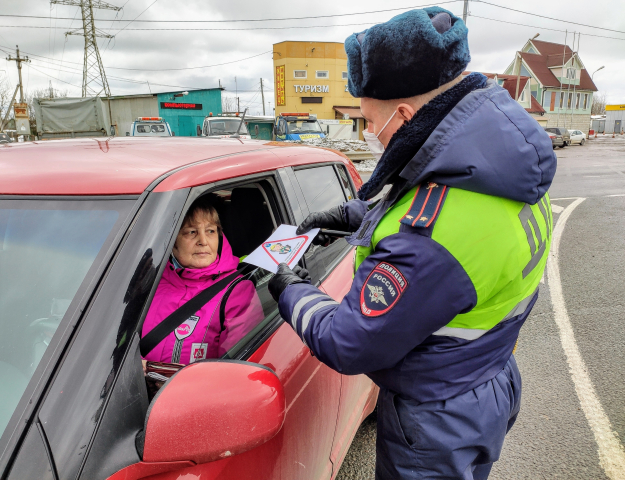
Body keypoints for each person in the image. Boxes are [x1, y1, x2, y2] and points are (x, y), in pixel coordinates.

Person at [268, 6, 556, 480]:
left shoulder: (431, 236)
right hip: (486, 375)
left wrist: (289, 287)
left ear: (402, 115)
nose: (369, 135)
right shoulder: (506, 172)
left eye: (368, 122)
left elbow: (348, 343)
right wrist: (348, 215)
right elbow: (442, 209)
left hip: (438, 417)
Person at [141, 194, 263, 366]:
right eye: (191, 232)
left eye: (210, 231)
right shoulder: (149, 283)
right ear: (171, 240)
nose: (203, 241)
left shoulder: (238, 292)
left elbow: (234, 369)